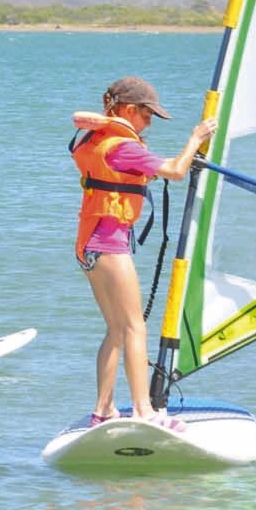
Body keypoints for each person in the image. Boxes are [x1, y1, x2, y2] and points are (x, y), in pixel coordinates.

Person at [72, 77, 216, 430]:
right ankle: (143, 410)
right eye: (148, 116)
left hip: (88, 246)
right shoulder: (123, 146)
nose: (149, 123)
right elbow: (176, 171)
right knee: (135, 327)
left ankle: (102, 410)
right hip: (110, 247)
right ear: (129, 110)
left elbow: (127, 176)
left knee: (117, 330)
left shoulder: (96, 140)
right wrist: (196, 139)